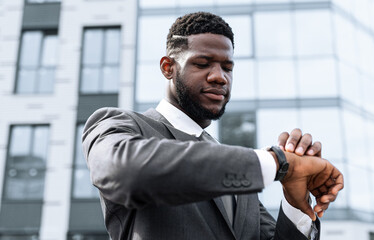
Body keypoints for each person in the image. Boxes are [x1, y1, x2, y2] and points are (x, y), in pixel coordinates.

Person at [82, 12, 343, 240]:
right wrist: (276, 162)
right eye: (202, 63)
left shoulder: (241, 173)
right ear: (168, 67)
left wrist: (294, 201)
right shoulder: (121, 125)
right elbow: (125, 171)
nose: (220, 77)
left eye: (227, 67)